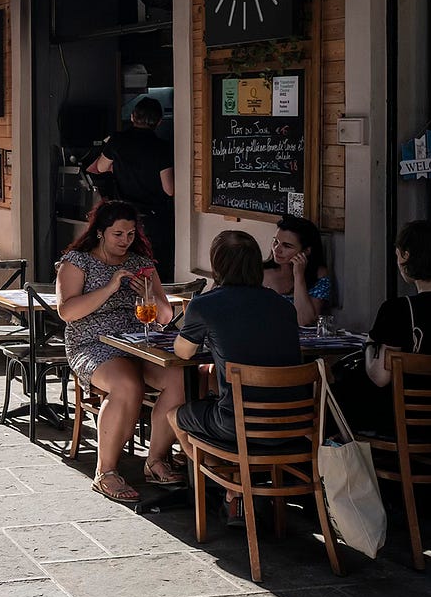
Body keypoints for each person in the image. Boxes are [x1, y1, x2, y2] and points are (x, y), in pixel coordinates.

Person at [169, 230, 302, 526]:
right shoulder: (283, 306)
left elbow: (184, 352)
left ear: (217, 265)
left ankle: (235, 489)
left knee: (174, 416)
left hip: (235, 423)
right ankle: (245, 487)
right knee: (221, 393)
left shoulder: (205, 305)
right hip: (295, 424)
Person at [57, 199, 185, 503]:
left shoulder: (140, 262)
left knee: (179, 378)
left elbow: (165, 316)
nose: (125, 241)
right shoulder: (77, 261)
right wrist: (110, 288)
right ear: (100, 232)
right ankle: (106, 472)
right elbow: (67, 311)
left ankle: (155, 460)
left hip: (141, 341)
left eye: (130, 234)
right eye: (118, 234)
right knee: (128, 384)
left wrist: (150, 296)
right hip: (93, 342)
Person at [339, 220, 431, 436]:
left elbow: (380, 377)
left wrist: (369, 346)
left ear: (406, 256)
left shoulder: (398, 309)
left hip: (407, 426)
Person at [87, 97, 175, 279]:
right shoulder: (162, 147)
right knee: (154, 269)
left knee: (125, 266)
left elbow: (101, 167)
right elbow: (169, 189)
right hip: (154, 219)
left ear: (133, 117)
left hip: (124, 217)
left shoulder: (118, 140)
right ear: (159, 122)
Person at [262, 214, 333, 327]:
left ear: (306, 251)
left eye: (287, 246)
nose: (277, 249)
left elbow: (304, 321)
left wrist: (299, 276)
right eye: (276, 242)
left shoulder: (318, 274)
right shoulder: (260, 272)